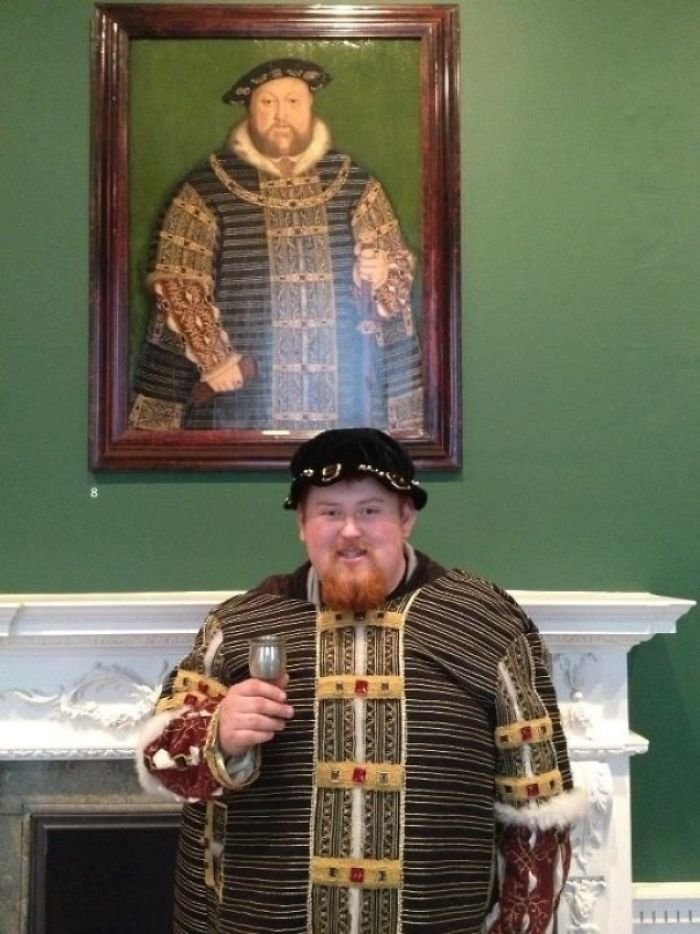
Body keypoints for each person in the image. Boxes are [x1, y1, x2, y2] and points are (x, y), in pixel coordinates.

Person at [137, 427, 585, 933]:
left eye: (370, 510)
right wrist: (218, 733)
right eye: (330, 512)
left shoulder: (486, 623)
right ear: (302, 523)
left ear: (406, 518)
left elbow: (538, 816)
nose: (350, 531)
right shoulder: (240, 625)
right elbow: (160, 759)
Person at [129, 58, 424, 433]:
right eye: (267, 102)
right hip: (242, 391)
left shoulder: (356, 185)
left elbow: (394, 270)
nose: (281, 114)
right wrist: (216, 360)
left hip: (345, 396)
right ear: (250, 108)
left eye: (292, 101)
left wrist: (380, 274)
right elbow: (179, 278)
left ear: (310, 105)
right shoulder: (205, 188)